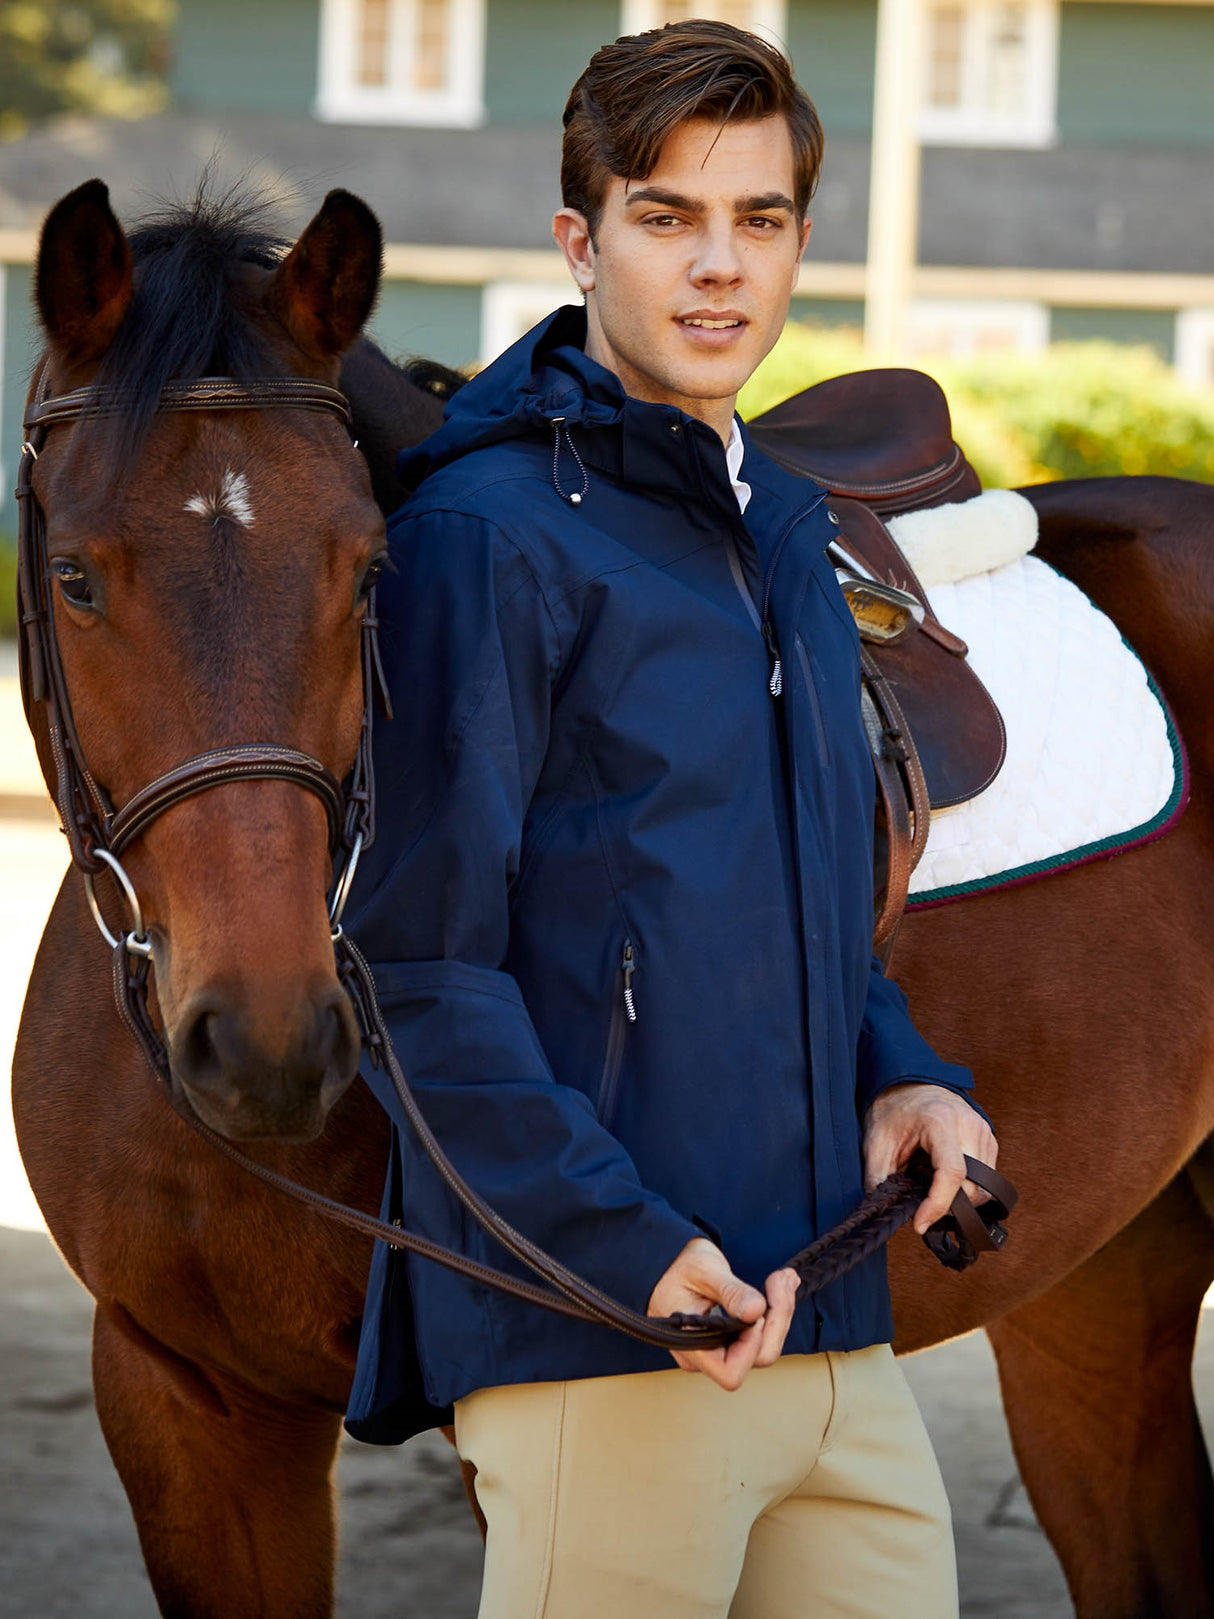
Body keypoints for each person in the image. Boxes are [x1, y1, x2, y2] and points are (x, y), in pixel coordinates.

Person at [343, 19, 996, 1618]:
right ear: (579, 240)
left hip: (833, 1327)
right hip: (609, 1345)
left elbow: (790, 910)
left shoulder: (776, 518)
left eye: (758, 221)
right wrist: (618, 1248)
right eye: (666, 216)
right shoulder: (484, 536)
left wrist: (904, 1078)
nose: (720, 270)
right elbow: (413, 967)